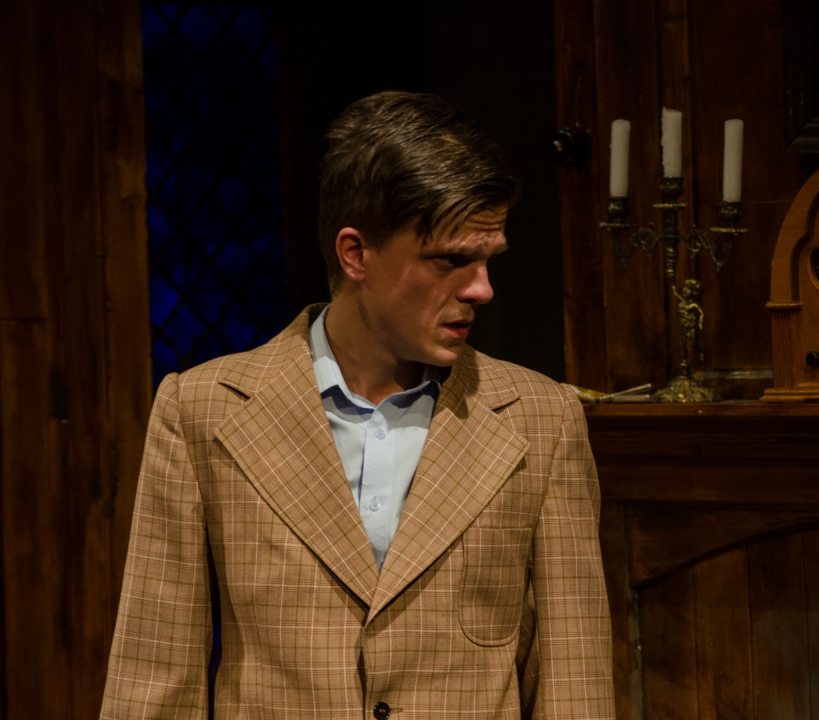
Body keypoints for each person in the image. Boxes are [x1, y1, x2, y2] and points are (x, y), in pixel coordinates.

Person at [100, 91, 614, 719]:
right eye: (451, 260)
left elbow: (575, 677)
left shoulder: (541, 419)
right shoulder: (204, 410)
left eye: (487, 260)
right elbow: (154, 671)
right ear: (356, 253)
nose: (482, 288)